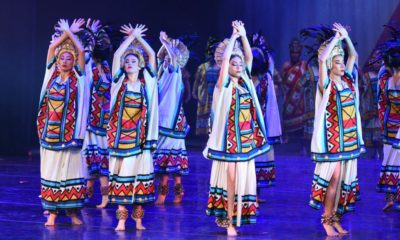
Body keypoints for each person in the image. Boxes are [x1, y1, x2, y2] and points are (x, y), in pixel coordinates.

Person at [204, 21, 270, 236]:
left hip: (245, 140)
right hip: (228, 141)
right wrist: (233, 39)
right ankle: (229, 221)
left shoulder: (246, 83)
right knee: (230, 180)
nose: (239, 67)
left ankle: (234, 218)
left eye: (240, 64)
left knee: (241, 182)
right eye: (235, 64)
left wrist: (243, 35)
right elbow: (224, 62)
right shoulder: (223, 85)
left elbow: (249, 58)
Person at [309, 23, 364, 237]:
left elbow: (355, 56)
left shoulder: (348, 80)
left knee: (343, 182)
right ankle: (326, 220)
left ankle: (336, 219)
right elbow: (322, 59)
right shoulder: (326, 84)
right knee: (333, 180)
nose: (342, 66)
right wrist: (335, 41)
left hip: (348, 140)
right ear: (331, 65)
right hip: (332, 142)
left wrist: (345, 37)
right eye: (338, 63)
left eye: (342, 63)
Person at [37, 18, 88, 226]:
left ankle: (73, 212)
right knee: (52, 171)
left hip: (70, 134)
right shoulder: (51, 75)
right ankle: (52, 214)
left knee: (70, 171)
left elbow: (82, 53)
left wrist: (70, 35)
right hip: (50, 133)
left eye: (69, 58)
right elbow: (51, 48)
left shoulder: (79, 78)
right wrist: (65, 33)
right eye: (62, 58)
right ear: (57, 61)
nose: (65, 61)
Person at [107, 23, 158, 231]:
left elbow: (152, 55)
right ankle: (120, 220)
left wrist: (140, 40)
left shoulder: (148, 83)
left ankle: (138, 220)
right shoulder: (119, 82)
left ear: (140, 65)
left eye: (133, 60)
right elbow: (117, 55)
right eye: (127, 61)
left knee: (140, 179)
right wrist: (131, 38)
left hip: (141, 139)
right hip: (122, 140)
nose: (129, 63)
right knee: (122, 178)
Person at [153, 32, 190, 204]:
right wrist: (165, 45)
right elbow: (159, 56)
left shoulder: (175, 74)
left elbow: (174, 60)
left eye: (171, 57)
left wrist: (166, 43)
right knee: (162, 164)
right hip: (162, 123)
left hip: (173, 124)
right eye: (166, 57)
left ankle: (175, 193)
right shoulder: (162, 75)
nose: (167, 59)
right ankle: (164, 193)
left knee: (174, 166)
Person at [80, 19, 112, 208]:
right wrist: (90, 34)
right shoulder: (88, 65)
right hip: (91, 120)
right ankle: (87, 196)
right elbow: (84, 53)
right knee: (89, 161)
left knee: (102, 162)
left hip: (104, 121)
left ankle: (106, 197)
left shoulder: (107, 66)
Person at [250, 33, 282, 201]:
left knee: (260, 157)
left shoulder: (265, 80)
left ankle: (257, 193)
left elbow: (270, 63)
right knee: (249, 158)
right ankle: (249, 193)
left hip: (261, 124)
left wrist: (263, 46)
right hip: (246, 124)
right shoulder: (244, 80)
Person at [376, 34, 400, 211]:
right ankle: (393, 198)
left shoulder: (385, 79)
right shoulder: (387, 79)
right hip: (393, 124)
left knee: (390, 160)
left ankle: (391, 197)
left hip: (390, 122)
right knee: (393, 160)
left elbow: (382, 102)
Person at [192, 37, 220, 136]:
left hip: (218, 97)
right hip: (205, 97)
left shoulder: (223, 67)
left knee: (216, 119)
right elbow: (197, 81)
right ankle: (207, 141)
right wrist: (194, 92)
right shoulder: (203, 67)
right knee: (207, 120)